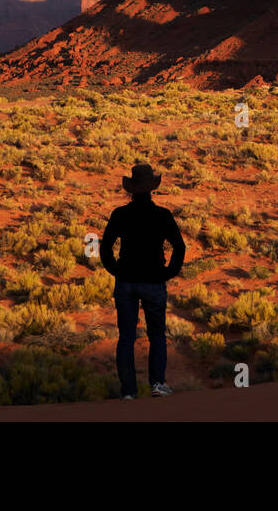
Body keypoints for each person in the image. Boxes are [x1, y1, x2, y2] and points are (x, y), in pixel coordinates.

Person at [101, 162, 186, 400]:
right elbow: (179, 247)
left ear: (131, 189)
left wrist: (116, 270)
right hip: (153, 281)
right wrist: (168, 272)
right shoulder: (162, 215)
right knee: (157, 334)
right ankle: (157, 383)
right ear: (151, 189)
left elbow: (106, 247)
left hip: (126, 281)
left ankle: (129, 392)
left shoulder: (120, 214)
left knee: (126, 337)